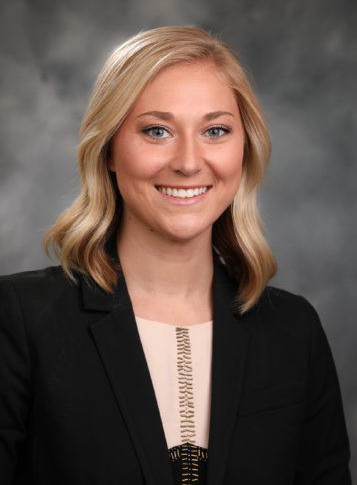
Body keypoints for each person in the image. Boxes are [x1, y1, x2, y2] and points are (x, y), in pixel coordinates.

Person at [0, 26, 352, 485]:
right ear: (108, 149)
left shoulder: (293, 329)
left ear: (244, 148)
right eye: (157, 130)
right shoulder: (20, 318)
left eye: (215, 130)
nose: (188, 162)